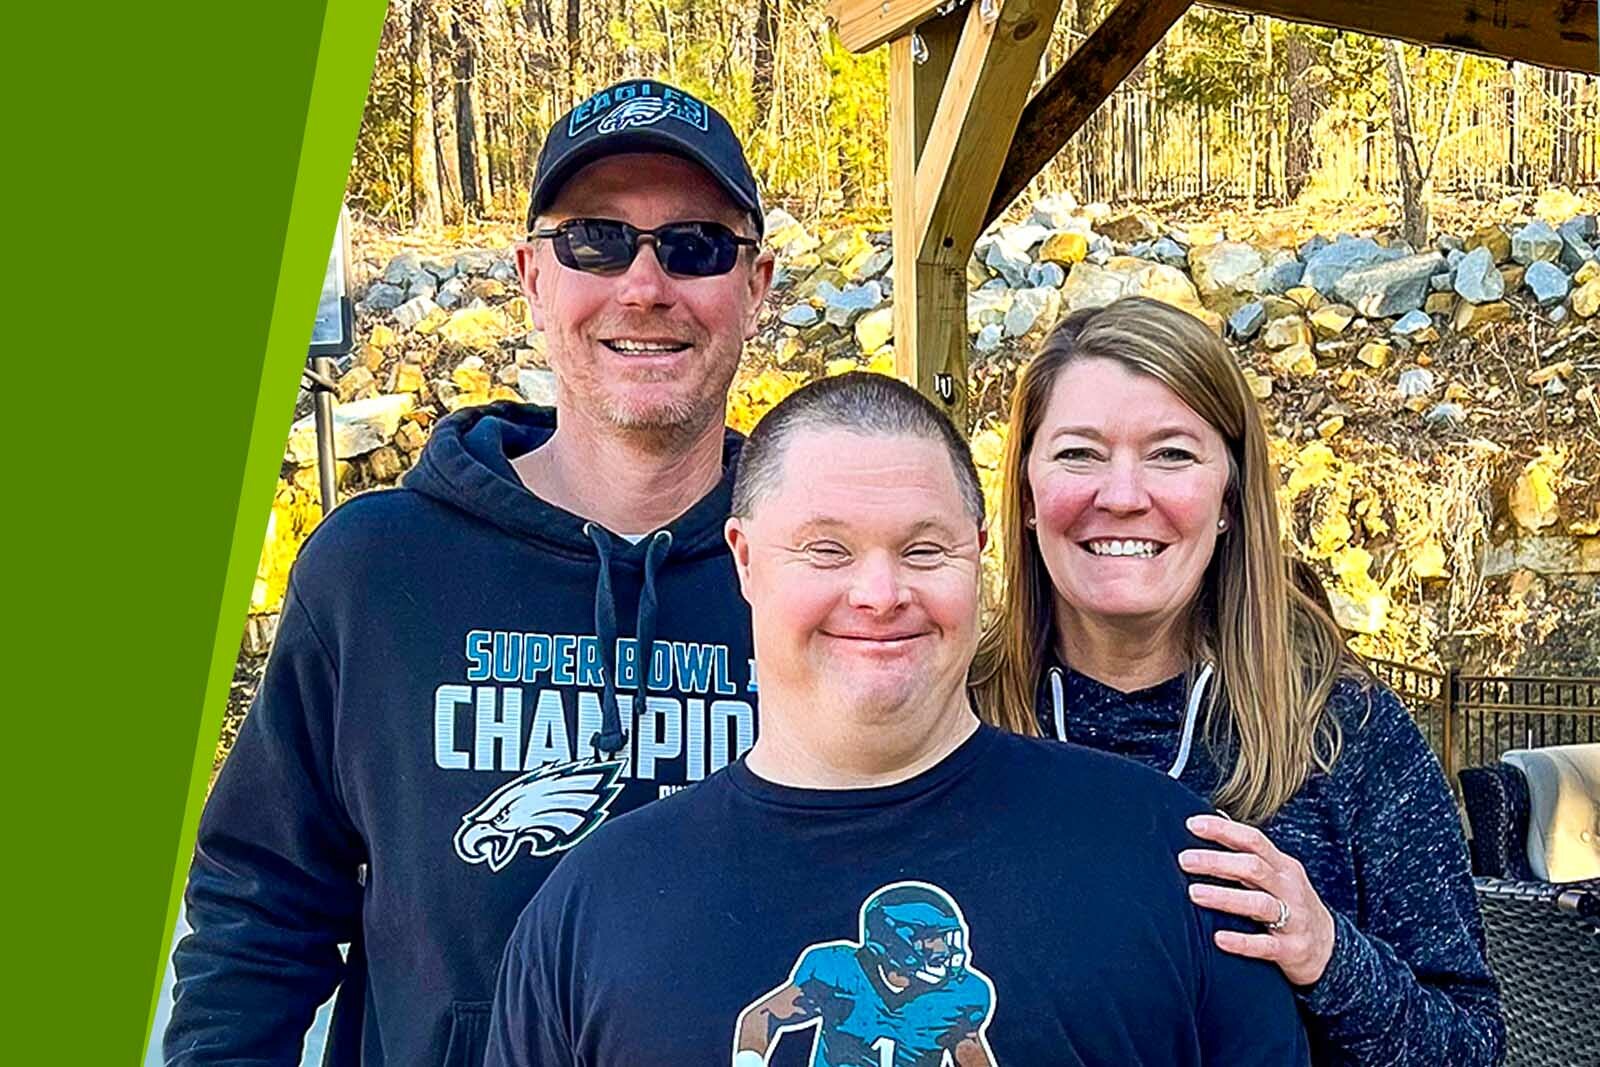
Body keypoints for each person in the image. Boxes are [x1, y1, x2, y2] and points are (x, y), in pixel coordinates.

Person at [164, 78, 773, 1066]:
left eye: (695, 245)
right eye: (596, 240)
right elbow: (259, 911)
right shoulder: (377, 571)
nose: (644, 285)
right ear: (533, 275)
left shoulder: (826, 580)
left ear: (756, 284)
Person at [483, 372, 1310, 1067]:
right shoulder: (592, 911)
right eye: (826, 550)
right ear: (744, 556)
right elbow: (762, 1022)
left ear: (979, 552)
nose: (880, 595)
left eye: (924, 550)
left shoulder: (1173, 855)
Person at [970, 296, 1504, 1065]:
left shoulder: (1345, 734)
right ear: (1023, 493)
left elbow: (1472, 1047)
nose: (1121, 494)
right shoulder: (949, 719)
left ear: (1228, 498)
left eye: (1172, 454)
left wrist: (1327, 953)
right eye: (1079, 453)